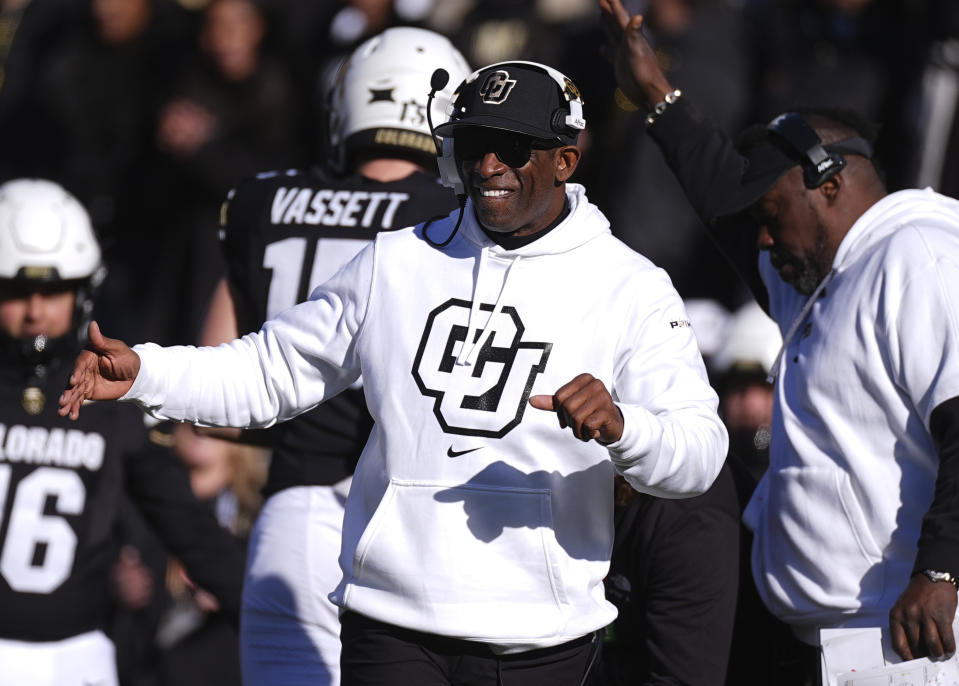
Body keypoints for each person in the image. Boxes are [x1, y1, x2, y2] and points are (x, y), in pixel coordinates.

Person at [58, 59, 729, 685]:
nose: (488, 163)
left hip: (544, 639)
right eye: (472, 144)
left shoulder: (629, 286)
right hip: (392, 627)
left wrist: (625, 429)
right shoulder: (395, 261)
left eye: (512, 146)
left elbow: (698, 453)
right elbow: (272, 369)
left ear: (564, 160)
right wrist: (146, 371)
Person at [600, 0, 959, 675]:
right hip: (820, 637)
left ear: (828, 184)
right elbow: (720, 203)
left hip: (909, 638)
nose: (761, 240)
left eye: (771, 214)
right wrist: (653, 94)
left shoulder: (920, 255)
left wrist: (942, 573)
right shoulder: (823, 267)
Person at [195, 26, 470, 686]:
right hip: (423, 516)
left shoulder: (262, 201)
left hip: (298, 512)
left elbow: (218, 398)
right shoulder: (461, 216)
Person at [0, 178, 245, 686]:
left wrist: (274, 608)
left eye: (54, 291)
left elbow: (188, 528)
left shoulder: (108, 403)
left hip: (76, 656)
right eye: (18, 292)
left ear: (85, 290)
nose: (35, 311)